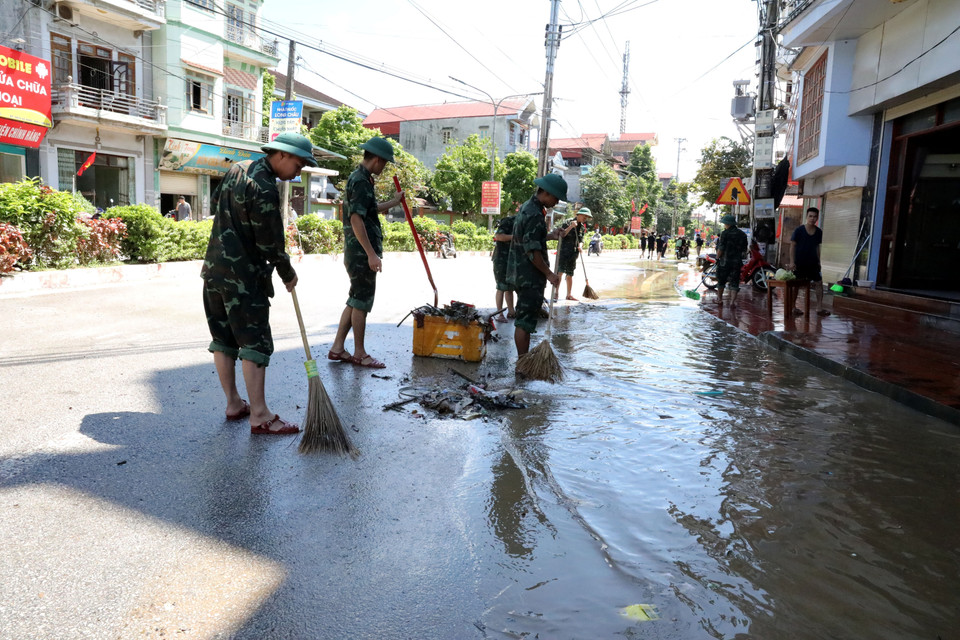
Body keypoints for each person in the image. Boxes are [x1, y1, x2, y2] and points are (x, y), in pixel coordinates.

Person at [200, 132, 317, 435]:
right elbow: (270, 243)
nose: (298, 171)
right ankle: (260, 415)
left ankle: (234, 403)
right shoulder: (265, 187)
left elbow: (216, 203)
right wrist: (287, 272)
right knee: (254, 343)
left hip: (214, 272)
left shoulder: (237, 170)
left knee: (223, 339)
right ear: (280, 155)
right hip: (244, 278)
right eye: (298, 163)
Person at [328, 137, 403, 369]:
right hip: (361, 252)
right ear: (377, 159)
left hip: (357, 250)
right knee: (361, 302)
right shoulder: (360, 180)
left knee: (354, 299)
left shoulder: (361, 179)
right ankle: (360, 353)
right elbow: (356, 218)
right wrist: (371, 253)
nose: (385, 168)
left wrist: (393, 202)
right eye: (385, 163)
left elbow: (368, 210)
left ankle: (338, 348)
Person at [506, 173, 568, 358]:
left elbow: (529, 238)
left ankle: (522, 361)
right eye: (556, 198)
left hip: (520, 272)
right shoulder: (534, 214)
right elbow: (532, 252)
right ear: (547, 193)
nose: (556, 203)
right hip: (529, 276)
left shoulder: (528, 207)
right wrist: (549, 274)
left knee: (524, 318)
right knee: (524, 322)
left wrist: (550, 235)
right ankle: (522, 363)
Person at [789, 206, 831, 317]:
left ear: (817, 218)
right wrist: (792, 262)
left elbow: (817, 247)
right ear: (806, 217)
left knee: (819, 283)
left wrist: (819, 261)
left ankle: (819, 307)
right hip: (800, 263)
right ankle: (793, 307)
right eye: (810, 216)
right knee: (796, 285)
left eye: (815, 217)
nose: (812, 218)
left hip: (813, 263)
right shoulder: (799, 231)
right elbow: (792, 246)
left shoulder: (818, 232)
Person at [556, 207, 591, 301]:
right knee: (560, 272)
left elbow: (581, 239)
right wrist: (571, 226)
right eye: (584, 216)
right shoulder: (568, 222)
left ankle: (569, 294)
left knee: (570, 274)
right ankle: (556, 293)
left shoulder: (582, 227)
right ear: (579, 214)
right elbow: (562, 234)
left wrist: (580, 246)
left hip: (573, 253)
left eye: (587, 217)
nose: (585, 218)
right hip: (563, 252)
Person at [714, 214, 748, 306]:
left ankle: (720, 299)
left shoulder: (725, 233)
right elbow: (744, 250)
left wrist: (717, 258)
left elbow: (721, 248)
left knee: (721, 280)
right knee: (734, 281)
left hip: (724, 262)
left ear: (727, 224)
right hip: (736, 262)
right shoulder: (742, 234)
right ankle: (732, 302)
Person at [492, 213, 516, 322]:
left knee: (509, 287)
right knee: (501, 287)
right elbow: (498, 236)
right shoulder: (508, 221)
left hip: (511, 259)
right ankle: (500, 314)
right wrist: (514, 237)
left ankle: (511, 312)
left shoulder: (523, 222)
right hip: (501, 259)